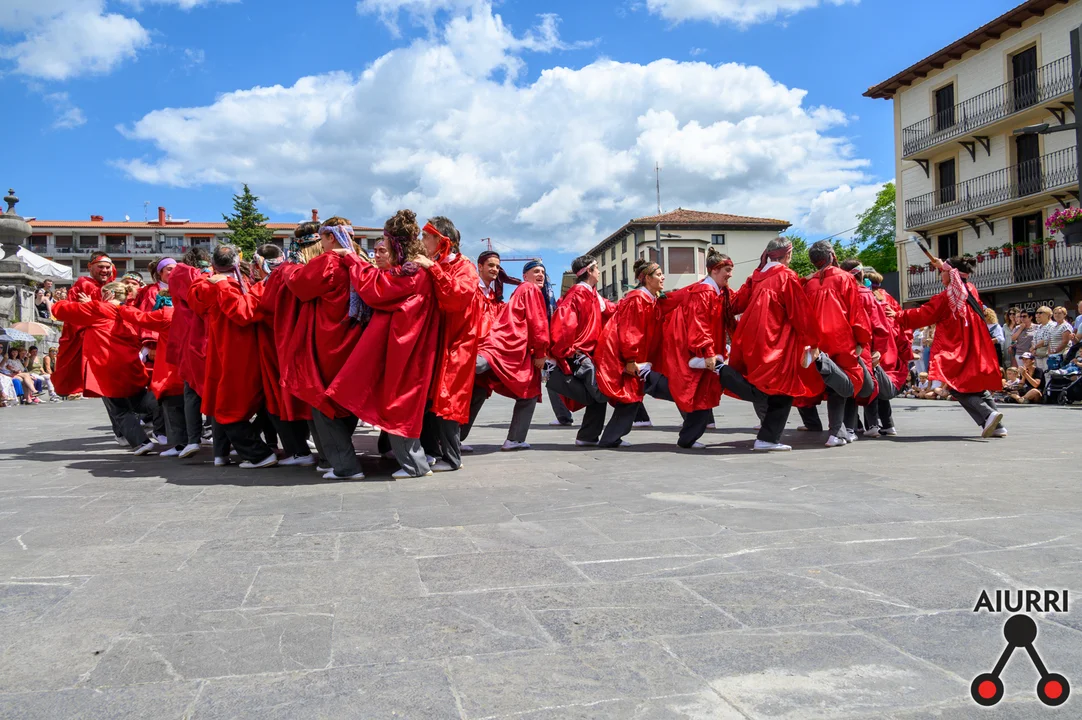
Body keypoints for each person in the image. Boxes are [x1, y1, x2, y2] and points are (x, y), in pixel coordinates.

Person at [327, 209, 440, 479]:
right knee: (398, 402)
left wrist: (352, 259)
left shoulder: (411, 273)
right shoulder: (416, 269)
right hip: (407, 345)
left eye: (386, 241)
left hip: (404, 347)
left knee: (398, 402)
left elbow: (375, 289)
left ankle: (415, 466)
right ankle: (413, 462)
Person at [284, 218, 371, 479]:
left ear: (330, 237)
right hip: (356, 339)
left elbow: (299, 284)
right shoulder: (360, 261)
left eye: (322, 238)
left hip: (329, 339)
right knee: (346, 399)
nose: (320, 244)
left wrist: (289, 267)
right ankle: (334, 459)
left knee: (322, 400)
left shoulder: (329, 261)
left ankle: (345, 466)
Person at [886, 255, 1006, 437]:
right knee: (976, 385)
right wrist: (943, 266)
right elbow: (956, 279)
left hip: (957, 346)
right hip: (975, 345)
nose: (940, 275)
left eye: (942, 272)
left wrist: (898, 315)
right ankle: (998, 426)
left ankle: (988, 414)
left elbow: (925, 314)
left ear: (951, 274)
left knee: (956, 384)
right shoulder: (970, 290)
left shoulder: (946, 298)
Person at [656, 249, 762, 448]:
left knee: (702, 398)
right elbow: (699, 324)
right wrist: (708, 352)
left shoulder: (718, 291)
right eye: (727, 270)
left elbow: (736, 304)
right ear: (715, 270)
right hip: (700, 354)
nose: (730, 274)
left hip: (706, 354)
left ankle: (687, 439)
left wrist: (752, 281)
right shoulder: (704, 292)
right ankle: (687, 439)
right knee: (700, 396)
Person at [188, 245, 278, 469]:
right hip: (237, 352)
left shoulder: (211, 284)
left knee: (226, 407)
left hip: (233, 353)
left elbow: (239, 312)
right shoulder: (241, 285)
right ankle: (232, 452)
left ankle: (255, 453)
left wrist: (218, 282)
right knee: (227, 405)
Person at [52, 282, 158, 454]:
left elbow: (62, 311)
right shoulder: (130, 311)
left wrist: (61, 300)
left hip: (107, 366)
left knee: (118, 408)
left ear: (108, 294)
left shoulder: (98, 309)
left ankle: (141, 442)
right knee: (140, 401)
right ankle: (164, 408)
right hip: (131, 365)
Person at [730, 237, 815, 451]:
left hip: (751, 338)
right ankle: (767, 438)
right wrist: (812, 341)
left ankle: (766, 433)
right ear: (788, 254)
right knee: (783, 389)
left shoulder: (756, 277)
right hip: (776, 341)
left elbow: (737, 304)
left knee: (763, 386)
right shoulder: (786, 276)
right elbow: (799, 313)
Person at [412, 217, 481, 473]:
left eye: (426, 236)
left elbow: (456, 298)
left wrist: (432, 268)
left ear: (441, 240)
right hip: (437, 341)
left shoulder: (465, 267)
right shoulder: (437, 264)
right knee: (432, 397)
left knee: (448, 397)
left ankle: (452, 458)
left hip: (457, 342)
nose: (422, 241)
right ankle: (432, 451)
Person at [463, 260, 552, 452]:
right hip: (509, 347)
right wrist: (541, 352)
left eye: (543, 272)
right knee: (529, 391)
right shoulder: (530, 289)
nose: (541, 275)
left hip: (505, 346)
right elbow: (537, 322)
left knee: (478, 387)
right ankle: (515, 439)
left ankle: (452, 439)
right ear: (525, 276)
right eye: (536, 271)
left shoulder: (518, 292)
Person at [799, 242, 873, 447]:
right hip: (841, 338)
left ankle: (843, 430)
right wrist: (862, 340)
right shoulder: (845, 278)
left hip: (817, 342)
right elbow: (856, 312)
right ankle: (838, 432)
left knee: (835, 385)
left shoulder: (808, 283)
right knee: (843, 385)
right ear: (832, 255)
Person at [595, 258, 669, 447]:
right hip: (628, 357)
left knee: (632, 396)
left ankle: (611, 437)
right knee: (632, 396)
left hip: (635, 357)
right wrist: (630, 359)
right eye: (659, 274)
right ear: (647, 278)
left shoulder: (648, 299)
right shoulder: (637, 299)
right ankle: (610, 438)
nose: (663, 278)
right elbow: (630, 331)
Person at [546, 255, 616, 447]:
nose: (599, 271)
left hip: (587, 353)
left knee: (597, 396)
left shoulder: (592, 294)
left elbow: (610, 308)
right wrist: (567, 351)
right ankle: (602, 434)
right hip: (581, 354)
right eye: (597, 268)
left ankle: (587, 436)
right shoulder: (578, 293)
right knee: (601, 393)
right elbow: (564, 324)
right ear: (589, 271)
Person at [117, 287, 194, 457]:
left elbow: (139, 317)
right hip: (192, 367)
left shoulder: (166, 314)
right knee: (191, 406)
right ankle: (194, 440)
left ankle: (180, 444)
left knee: (173, 408)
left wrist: (121, 305)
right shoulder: (193, 311)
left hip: (171, 371)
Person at [52, 252, 116, 399]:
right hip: (84, 333)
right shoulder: (85, 284)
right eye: (101, 267)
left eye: (108, 267)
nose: (105, 270)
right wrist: (98, 306)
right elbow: (81, 314)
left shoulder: (106, 286)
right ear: (90, 267)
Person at [166, 248, 212, 452]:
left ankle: (193, 439)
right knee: (212, 389)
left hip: (185, 336)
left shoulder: (177, 276)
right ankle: (219, 443)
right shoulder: (198, 276)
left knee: (191, 391)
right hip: (203, 334)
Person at [1047, 306, 1073, 370]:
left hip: (1062, 355)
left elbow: (1065, 342)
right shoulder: (1053, 327)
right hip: (1053, 355)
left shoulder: (1066, 326)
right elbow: (1050, 340)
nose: (1057, 315)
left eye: (1059, 313)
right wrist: (1050, 352)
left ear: (1064, 314)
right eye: (1055, 313)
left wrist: (1055, 351)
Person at [1032, 306, 1056, 371]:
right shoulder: (1038, 327)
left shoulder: (1053, 325)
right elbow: (1034, 339)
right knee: (1040, 374)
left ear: (1049, 315)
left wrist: (1034, 347)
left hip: (1047, 355)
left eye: (1040, 313)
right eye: (1036, 313)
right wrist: (1033, 349)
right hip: (1038, 354)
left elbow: (1046, 340)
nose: (1037, 315)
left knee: (1047, 374)